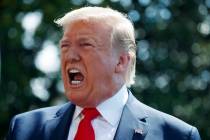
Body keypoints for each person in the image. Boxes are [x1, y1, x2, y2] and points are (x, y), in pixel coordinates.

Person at [7, 6, 201, 140]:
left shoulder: (177, 135)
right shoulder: (24, 128)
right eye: (64, 46)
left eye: (85, 45)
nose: (70, 56)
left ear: (121, 61)